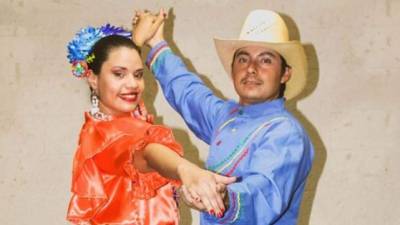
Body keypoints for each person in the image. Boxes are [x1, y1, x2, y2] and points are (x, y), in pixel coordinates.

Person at [133, 9, 314, 225]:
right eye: (243, 59)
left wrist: (222, 196)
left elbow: (263, 194)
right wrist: (156, 42)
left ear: (285, 73)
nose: (251, 69)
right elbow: (187, 92)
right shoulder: (226, 116)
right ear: (233, 68)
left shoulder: (286, 132)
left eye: (265, 60)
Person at [65, 24, 235, 225]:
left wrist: (191, 193)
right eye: (119, 74)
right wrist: (186, 170)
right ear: (92, 78)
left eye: (137, 74)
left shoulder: (122, 123)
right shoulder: (105, 136)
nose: (132, 84)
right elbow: (147, 152)